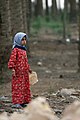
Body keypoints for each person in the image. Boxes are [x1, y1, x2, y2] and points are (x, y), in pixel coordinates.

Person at [8, 32, 32, 108]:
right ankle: (17, 102)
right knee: (17, 87)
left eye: (25, 40)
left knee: (24, 86)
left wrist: (28, 69)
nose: (24, 41)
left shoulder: (24, 50)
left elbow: (25, 61)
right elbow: (12, 60)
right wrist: (12, 68)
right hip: (18, 72)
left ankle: (24, 101)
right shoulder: (15, 50)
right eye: (22, 40)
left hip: (24, 73)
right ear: (18, 40)